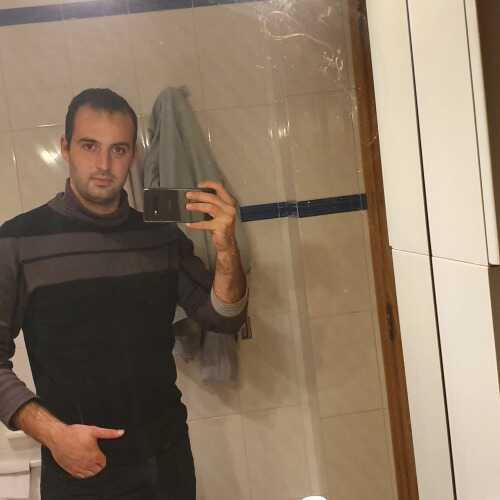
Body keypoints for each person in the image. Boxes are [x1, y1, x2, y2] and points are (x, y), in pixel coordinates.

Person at [0, 88, 248, 499]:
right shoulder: (17, 242)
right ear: (65, 147)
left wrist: (227, 249)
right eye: (89, 146)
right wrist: (54, 435)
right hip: (79, 467)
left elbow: (224, 317)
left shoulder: (160, 236)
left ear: (132, 155)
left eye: (118, 149)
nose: (103, 164)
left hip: (167, 460)